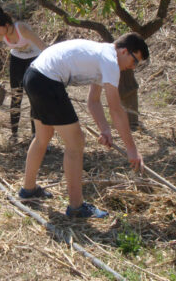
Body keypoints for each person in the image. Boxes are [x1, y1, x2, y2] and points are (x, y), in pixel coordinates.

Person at [20, 33, 149, 218]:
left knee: (43, 137)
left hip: (34, 75)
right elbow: (116, 109)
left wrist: (105, 129)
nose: (132, 67)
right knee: (76, 143)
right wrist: (132, 150)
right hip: (46, 80)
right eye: (134, 61)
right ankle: (76, 207)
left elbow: (93, 101)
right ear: (124, 51)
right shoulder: (110, 60)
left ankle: (28, 190)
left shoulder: (102, 56)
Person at [0, 7, 47, 141]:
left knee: (34, 97)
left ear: (7, 25)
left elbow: (44, 48)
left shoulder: (22, 30)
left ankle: (35, 135)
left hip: (34, 58)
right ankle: (14, 134)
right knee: (16, 96)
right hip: (17, 59)